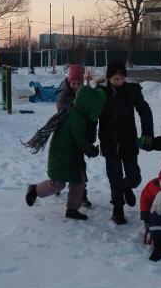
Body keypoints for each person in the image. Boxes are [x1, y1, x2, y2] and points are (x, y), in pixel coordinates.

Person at [25, 86, 106, 220]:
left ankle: (72, 209)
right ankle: (34, 190)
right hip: (62, 156)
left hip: (72, 156)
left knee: (78, 181)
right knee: (58, 184)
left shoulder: (78, 113)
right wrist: (91, 151)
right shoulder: (76, 118)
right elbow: (81, 140)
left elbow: (85, 137)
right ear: (88, 104)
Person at [97, 60, 154, 225]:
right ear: (108, 78)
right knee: (114, 178)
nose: (119, 82)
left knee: (135, 177)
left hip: (128, 141)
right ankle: (118, 209)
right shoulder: (101, 93)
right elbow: (91, 116)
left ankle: (126, 187)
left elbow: (145, 111)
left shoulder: (132, 91)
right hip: (109, 142)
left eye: (121, 78)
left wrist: (147, 134)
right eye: (115, 79)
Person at [56, 64, 93, 208]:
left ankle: (82, 194)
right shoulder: (64, 94)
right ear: (69, 82)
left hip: (79, 135)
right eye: (73, 83)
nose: (76, 86)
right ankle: (57, 184)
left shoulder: (84, 93)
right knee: (64, 164)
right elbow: (61, 111)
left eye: (79, 83)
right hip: (65, 136)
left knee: (80, 166)